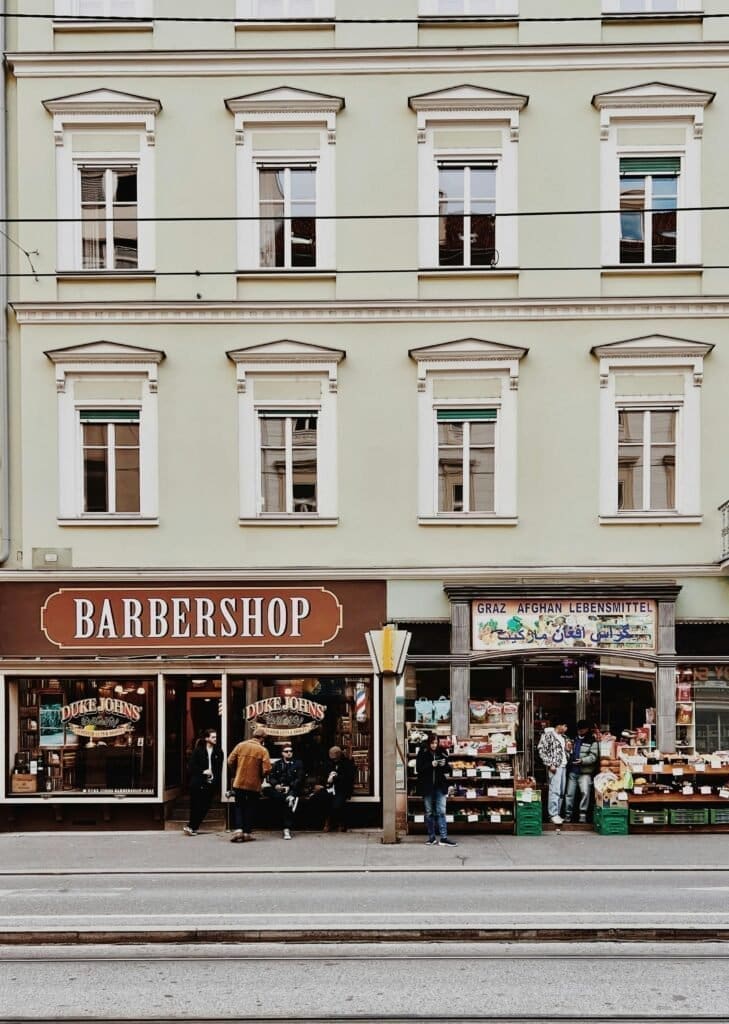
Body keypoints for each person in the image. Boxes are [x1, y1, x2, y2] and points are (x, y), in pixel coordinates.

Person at [227, 725, 271, 843]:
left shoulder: (240, 745)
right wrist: (261, 777)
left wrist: (237, 772)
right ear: (262, 739)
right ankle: (247, 832)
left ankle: (239, 830)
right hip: (254, 784)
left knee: (239, 806)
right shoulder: (263, 750)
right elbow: (267, 769)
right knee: (250, 807)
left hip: (239, 782)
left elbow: (230, 761)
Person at [416, 733, 457, 847]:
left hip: (440, 786)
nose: (434, 745)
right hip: (427, 786)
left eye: (436, 743)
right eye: (432, 743)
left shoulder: (442, 752)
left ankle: (444, 838)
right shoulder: (423, 752)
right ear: (428, 743)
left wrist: (444, 765)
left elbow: (448, 769)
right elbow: (418, 768)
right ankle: (432, 838)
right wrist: (430, 764)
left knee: (441, 812)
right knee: (429, 812)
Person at [183, 728, 223, 836]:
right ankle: (192, 827)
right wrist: (203, 772)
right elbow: (191, 766)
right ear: (206, 738)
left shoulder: (219, 751)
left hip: (210, 783)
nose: (215, 739)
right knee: (195, 805)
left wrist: (215, 780)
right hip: (197, 782)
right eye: (213, 737)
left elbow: (219, 769)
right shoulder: (198, 750)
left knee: (205, 806)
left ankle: (192, 826)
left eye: (216, 737)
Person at [564, 720, 599, 823]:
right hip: (573, 771)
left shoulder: (592, 741)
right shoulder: (573, 739)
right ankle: (568, 815)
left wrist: (582, 761)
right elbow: (568, 753)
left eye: (583, 729)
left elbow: (593, 756)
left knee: (585, 793)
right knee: (569, 794)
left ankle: (582, 815)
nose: (580, 731)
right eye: (579, 729)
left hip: (585, 772)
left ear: (587, 729)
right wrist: (568, 750)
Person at [268, 742, 304, 840]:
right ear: (282, 753)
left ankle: (286, 828)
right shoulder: (277, 764)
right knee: (269, 791)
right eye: (286, 751)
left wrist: (289, 787)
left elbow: (299, 779)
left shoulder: (298, 763)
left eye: (290, 751)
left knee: (287, 801)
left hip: (292, 788)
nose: (289, 753)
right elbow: (271, 777)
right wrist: (276, 785)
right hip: (279, 790)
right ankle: (289, 799)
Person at [537, 719, 569, 825]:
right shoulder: (548, 735)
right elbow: (541, 750)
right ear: (559, 725)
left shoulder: (564, 737)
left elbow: (565, 752)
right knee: (554, 790)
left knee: (561, 792)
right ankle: (553, 814)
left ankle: (557, 813)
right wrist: (550, 764)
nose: (566, 729)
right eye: (565, 726)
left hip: (563, 765)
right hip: (555, 767)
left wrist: (569, 750)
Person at [322, 745, 355, 832]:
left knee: (337, 803)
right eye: (332, 758)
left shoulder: (347, 763)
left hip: (342, 789)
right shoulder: (328, 763)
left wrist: (335, 778)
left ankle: (340, 823)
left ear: (339, 754)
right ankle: (328, 821)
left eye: (335, 758)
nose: (333, 760)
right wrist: (327, 780)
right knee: (322, 799)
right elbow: (323, 775)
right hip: (329, 788)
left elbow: (349, 778)